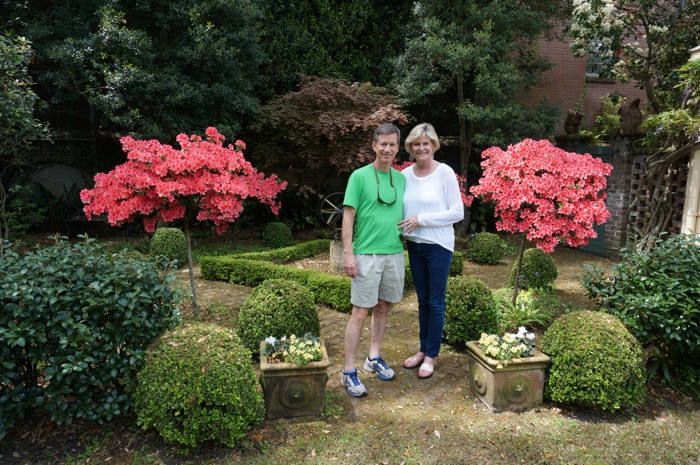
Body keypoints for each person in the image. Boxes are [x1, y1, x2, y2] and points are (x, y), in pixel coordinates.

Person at [341, 123, 406, 397]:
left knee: (382, 307)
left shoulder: (401, 179)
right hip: (366, 254)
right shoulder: (359, 176)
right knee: (359, 311)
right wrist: (348, 253)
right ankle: (347, 371)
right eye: (383, 144)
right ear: (374, 146)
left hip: (394, 253)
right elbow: (348, 216)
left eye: (392, 144)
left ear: (397, 148)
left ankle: (373, 357)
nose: (388, 149)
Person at [398, 123, 464, 379]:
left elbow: (457, 212)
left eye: (426, 143)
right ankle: (423, 349)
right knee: (422, 301)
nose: (421, 148)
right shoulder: (404, 175)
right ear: (411, 148)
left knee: (435, 302)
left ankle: (431, 355)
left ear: (434, 145)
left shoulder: (445, 173)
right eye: (417, 144)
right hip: (415, 245)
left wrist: (422, 219)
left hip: (438, 246)